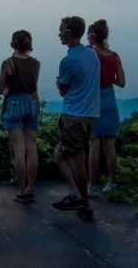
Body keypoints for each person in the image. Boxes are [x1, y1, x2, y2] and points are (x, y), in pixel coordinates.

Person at [52, 16, 100, 216]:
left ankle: (78, 197)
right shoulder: (92, 55)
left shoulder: (68, 61)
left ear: (68, 34)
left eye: (60, 31)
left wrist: (58, 83)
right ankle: (82, 201)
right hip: (91, 114)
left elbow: (63, 91)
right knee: (69, 155)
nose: (59, 35)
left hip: (73, 115)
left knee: (70, 157)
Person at [0, 30, 40, 203]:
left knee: (19, 149)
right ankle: (31, 188)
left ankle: (21, 189)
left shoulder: (8, 63)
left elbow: (1, 88)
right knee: (31, 147)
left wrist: (9, 87)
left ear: (13, 44)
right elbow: (34, 87)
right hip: (31, 102)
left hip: (14, 102)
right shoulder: (36, 63)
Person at [87, 19, 126, 197]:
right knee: (110, 145)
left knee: (94, 144)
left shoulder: (91, 54)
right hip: (110, 99)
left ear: (92, 36)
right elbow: (122, 82)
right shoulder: (114, 55)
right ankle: (112, 182)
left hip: (94, 100)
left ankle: (92, 184)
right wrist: (110, 77)